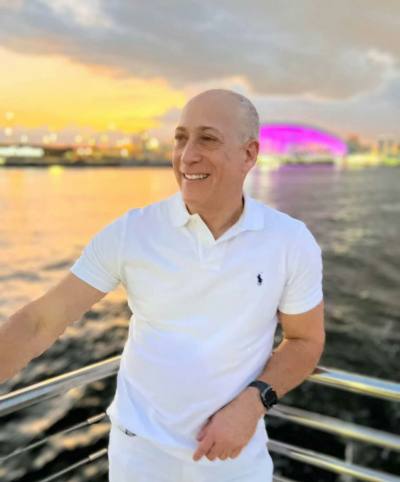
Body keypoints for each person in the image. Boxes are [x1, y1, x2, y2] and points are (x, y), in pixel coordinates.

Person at [0, 89, 325, 481]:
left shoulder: (289, 241)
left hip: (233, 459)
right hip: (138, 457)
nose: (187, 155)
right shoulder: (131, 233)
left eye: (207, 139)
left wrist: (255, 401)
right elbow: (39, 322)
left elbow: (305, 341)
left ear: (249, 154)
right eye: (180, 138)